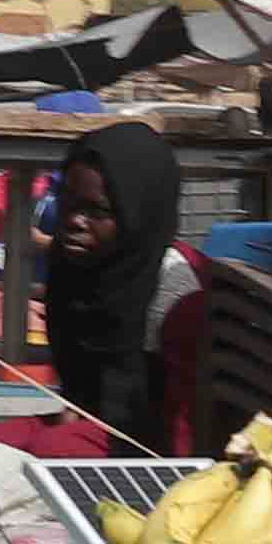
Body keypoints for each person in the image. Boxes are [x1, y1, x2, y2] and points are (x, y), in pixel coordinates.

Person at [40, 118, 191, 450]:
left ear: (137, 214)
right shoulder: (72, 267)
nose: (74, 222)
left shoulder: (172, 290)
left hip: (148, 444)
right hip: (86, 420)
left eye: (97, 212)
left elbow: (184, 427)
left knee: (53, 450)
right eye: (68, 203)